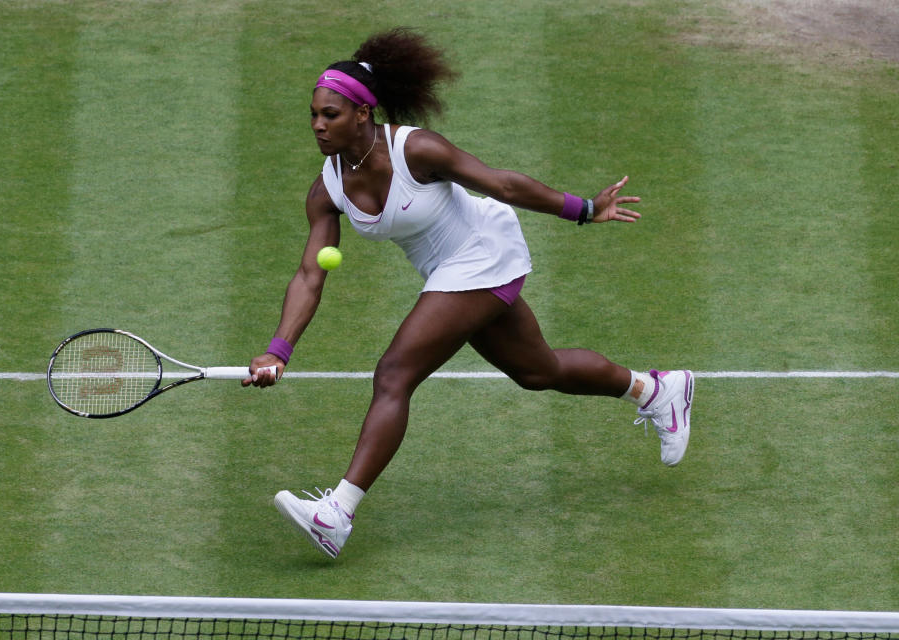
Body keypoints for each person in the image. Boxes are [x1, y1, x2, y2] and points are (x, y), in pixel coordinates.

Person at [242, 28, 694, 559]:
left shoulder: (417, 149)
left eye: (331, 115)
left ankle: (336, 514)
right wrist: (279, 348)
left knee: (394, 374)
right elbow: (308, 275)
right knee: (537, 371)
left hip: (482, 254)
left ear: (363, 114)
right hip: (446, 273)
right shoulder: (328, 190)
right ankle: (655, 391)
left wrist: (585, 210)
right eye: (314, 114)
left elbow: (501, 183)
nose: (318, 125)